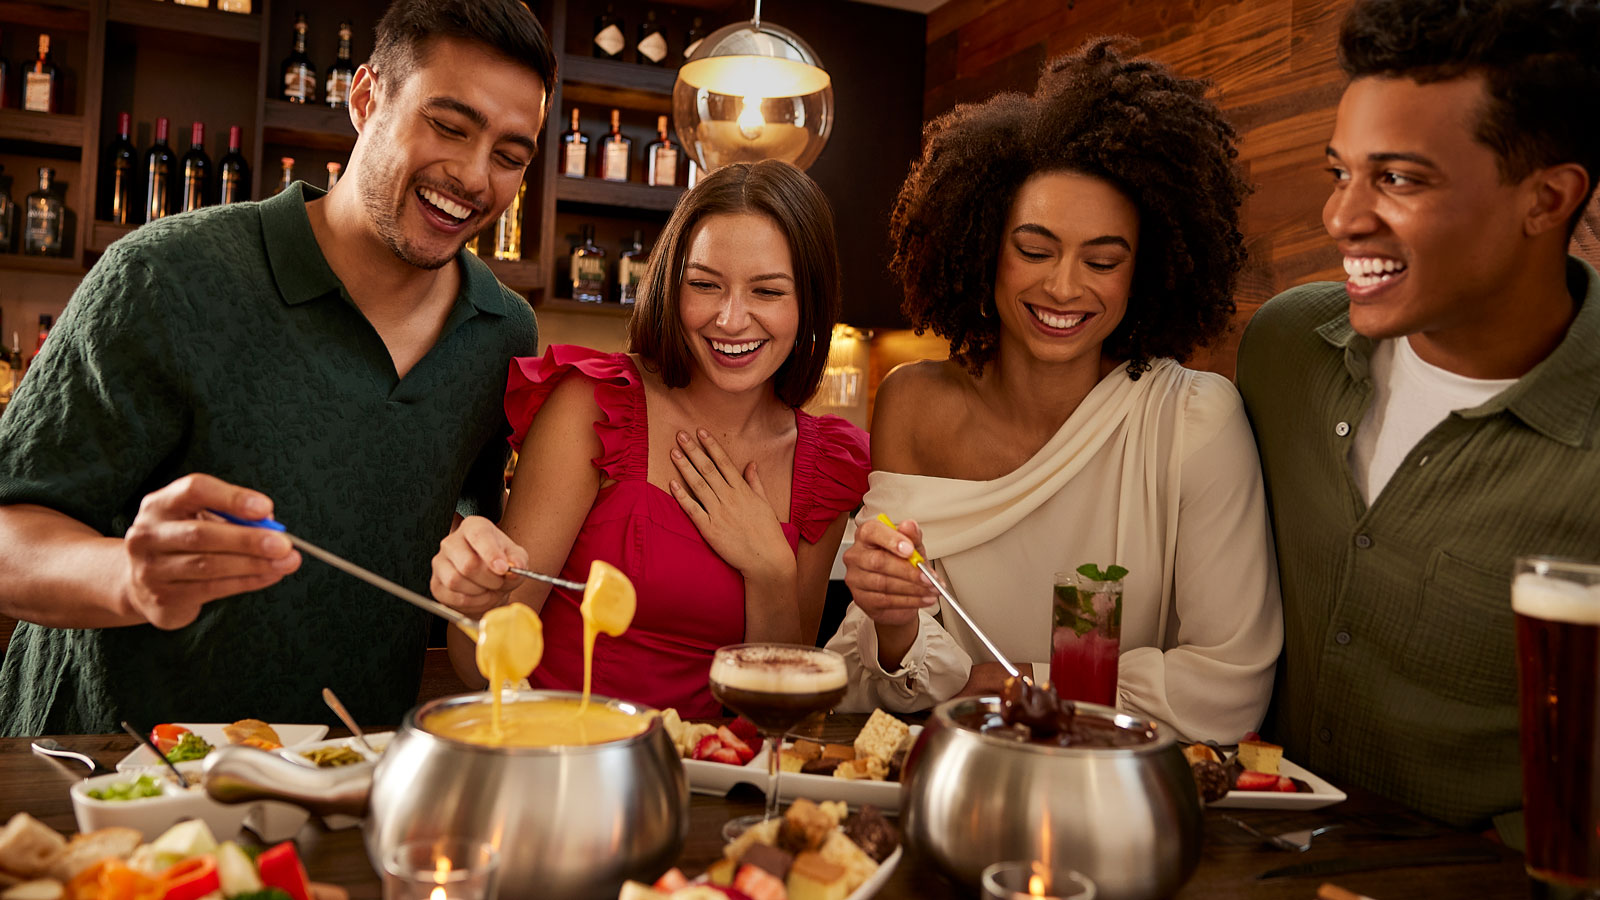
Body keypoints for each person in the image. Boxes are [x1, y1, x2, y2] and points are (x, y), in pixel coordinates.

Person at [0, 0, 556, 735]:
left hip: (348, 786)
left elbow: (465, 536)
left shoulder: (505, 332)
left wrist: (479, 565)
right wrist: (128, 576)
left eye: (511, 156)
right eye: (448, 126)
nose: (474, 176)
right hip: (114, 781)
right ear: (365, 98)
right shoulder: (165, 275)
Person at [830, 39, 1281, 744]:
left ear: (1145, 271)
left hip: (1125, 803)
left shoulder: (1194, 423)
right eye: (1034, 251)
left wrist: (1012, 685)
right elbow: (871, 682)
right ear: (983, 248)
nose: (1065, 287)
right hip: (959, 789)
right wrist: (894, 622)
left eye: (1102, 261)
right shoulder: (913, 405)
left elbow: (1228, 686)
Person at [1236, 0, 1600, 840]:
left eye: (1398, 179)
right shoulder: (1284, 350)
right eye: (1340, 172)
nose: (1341, 218)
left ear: (1547, 198)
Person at [430, 160, 870, 717]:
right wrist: (471, 604)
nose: (731, 319)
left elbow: (781, 711)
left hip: (715, 781)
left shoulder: (825, 463)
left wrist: (771, 571)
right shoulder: (596, 404)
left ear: (810, 301)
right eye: (705, 285)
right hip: (563, 761)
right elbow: (483, 662)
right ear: (670, 284)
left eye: (768, 291)